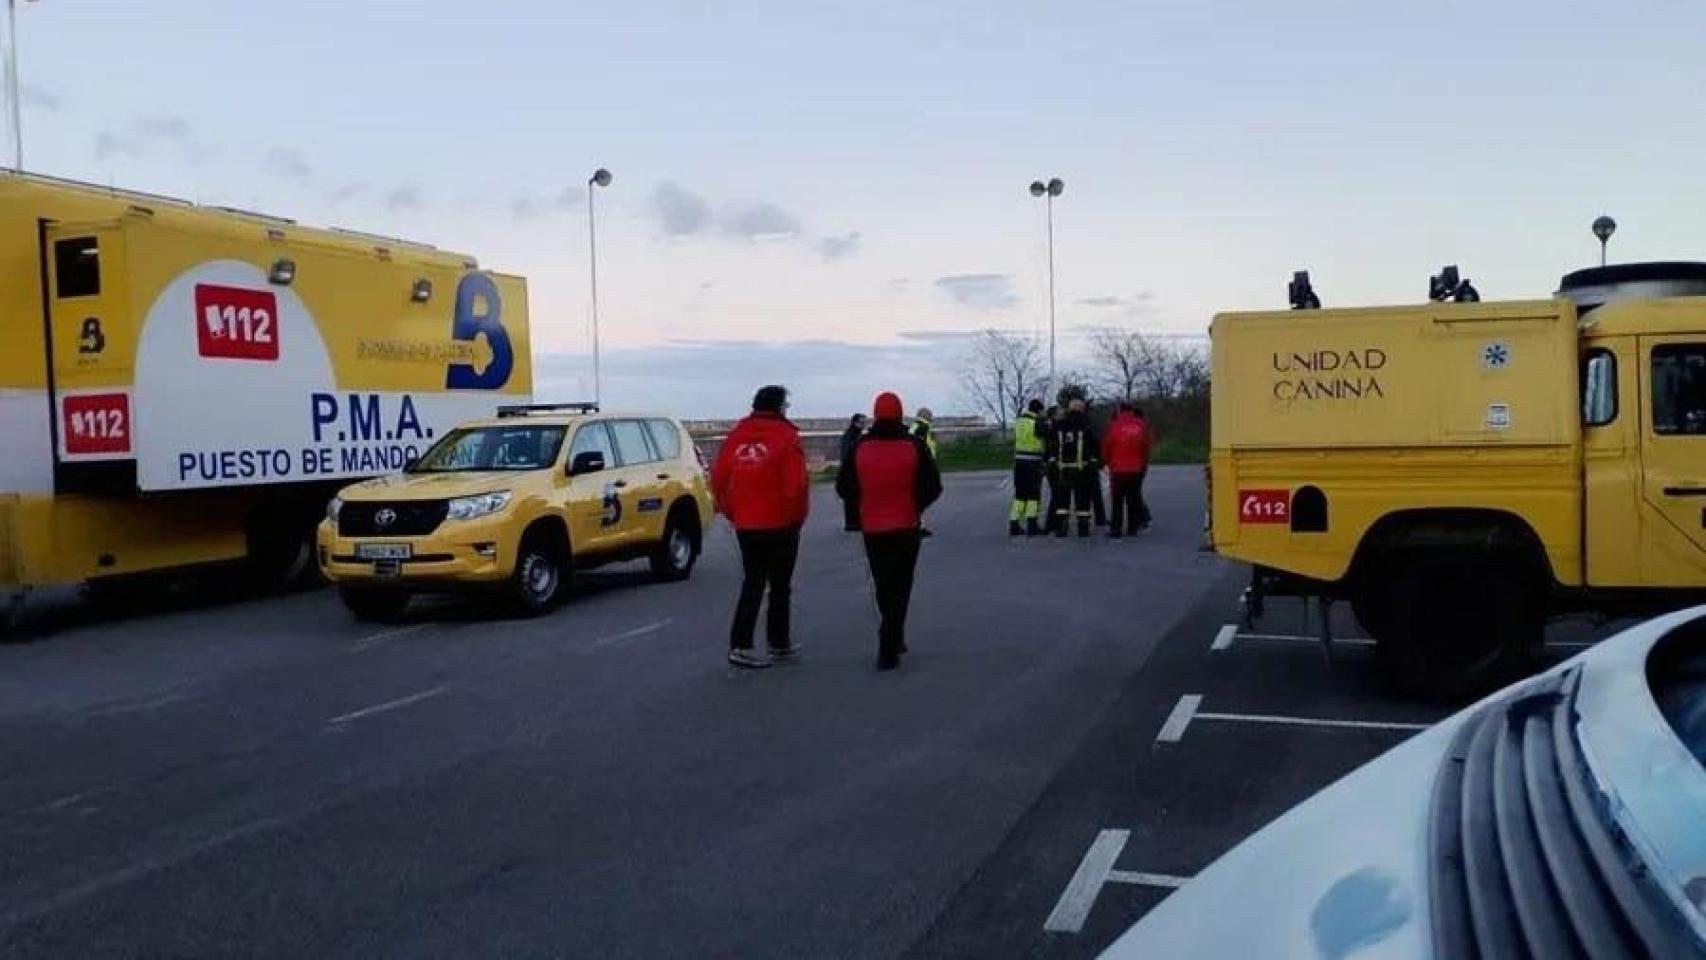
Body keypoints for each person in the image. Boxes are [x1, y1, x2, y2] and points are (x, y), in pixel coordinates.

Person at [837, 391, 943, 671]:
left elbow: (843, 487)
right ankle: (892, 639)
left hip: (873, 526)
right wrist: (916, 506)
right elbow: (933, 485)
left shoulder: (861, 447)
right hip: (906, 524)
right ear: (900, 413)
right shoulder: (914, 445)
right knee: (902, 583)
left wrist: (862, 506)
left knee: (883, 584)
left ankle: (891, 637)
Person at [710, 385, 809, 669]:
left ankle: (741, 644)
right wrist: (798, 517)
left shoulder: (737, 435)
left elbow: (718, 478)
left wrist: (733, 512)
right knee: (780, 585)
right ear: (779, 407)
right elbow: (796, 486)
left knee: (753, 581)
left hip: (746, 522)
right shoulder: (787, 437)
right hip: (780, 522)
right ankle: (778, 642)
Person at [1049, 398, 1100, 538]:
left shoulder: (1060, 424)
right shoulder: (1085, 424)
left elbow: (1051, 445)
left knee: (1062, 500)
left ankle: (1061, 529)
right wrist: (1096, 462)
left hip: (1062, 469)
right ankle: (1083, 529)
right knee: (1083, 499)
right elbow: (1094, 445)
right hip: (1082, 469)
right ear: (1081, 409)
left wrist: (1051, 462)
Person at [1102, 401, 1155, 537]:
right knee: (1133, 499)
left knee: (1117, 501)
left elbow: (1108, 446)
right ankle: (1132, 528)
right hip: (1136, 469)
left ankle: (1116, 529)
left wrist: (1108, 462)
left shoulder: (1114, 425)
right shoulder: (1141, 425)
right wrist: (1143, 464)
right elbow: (1146, 446)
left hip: (1118, 469)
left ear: (1120, 410)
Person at [1009, 399, 1046, 536]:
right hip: (1033, 462)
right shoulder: (1037, 423)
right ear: (1038, 410)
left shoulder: (1019, 422)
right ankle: (1032, 524)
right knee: (1033, 495)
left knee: (1019, 495)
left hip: (1019, 462)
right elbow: (1044, 435)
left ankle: (1014, 523)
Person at [837, 413, 868, 532]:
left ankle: (854, 522)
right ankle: (851, 523)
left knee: (855, 498)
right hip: (850, 472)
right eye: (862, 422)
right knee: (851, 499)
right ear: (855, 422)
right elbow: (847, 453)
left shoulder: (856, 435)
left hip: (853, 471)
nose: (864, 425)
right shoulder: (851, 436)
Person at [1041, 405, 1062, 533]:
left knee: (1056, 494)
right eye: (1059, 413)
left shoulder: (1048, 426)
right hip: (1053, 464)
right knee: (1057, 494)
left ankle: (1053, 523)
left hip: (1050, 463)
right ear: (1054, 414)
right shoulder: (1053, 427)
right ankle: (1051, 524)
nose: (1062, 415)